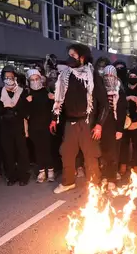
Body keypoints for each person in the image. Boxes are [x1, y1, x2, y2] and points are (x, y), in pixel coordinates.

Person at [51, 44, 109, 194]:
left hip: (88, 122)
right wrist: (54, 118)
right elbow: (59, 100)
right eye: (69, 54)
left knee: (91, 155)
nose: (69, 58)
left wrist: (99, 125)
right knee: (66, 152)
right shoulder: (65, 76)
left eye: (73, 55)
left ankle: (95, 184)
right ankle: (68, 181)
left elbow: (104, 104)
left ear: (82, 57)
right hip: (70, 122)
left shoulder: (93, 76)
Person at [0, 66, 31, 186]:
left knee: (21, 150)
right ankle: (11, 176)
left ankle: (24, 175)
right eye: (6, 77)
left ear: (15, 78)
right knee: (8, 151)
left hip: (19, 124)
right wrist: (4, 111)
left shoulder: (22, 91)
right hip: (5, 126)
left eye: (11, 77)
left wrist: (16, 112)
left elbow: (26, 109)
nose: (9, 79)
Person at [100, 66, 128, 188]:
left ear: (115, 76)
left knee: (113, 152)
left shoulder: (119, 91)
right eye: (106, 76)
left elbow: (121, 112)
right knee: (104, 152)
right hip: (102, 124)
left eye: (111, 76)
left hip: (115, 125)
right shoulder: (100, 90)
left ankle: (112, 178)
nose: (108, 78)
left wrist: (119, 129)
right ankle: (105, 175)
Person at [26, 68, 56, 183]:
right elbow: (24, 112)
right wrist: (26, 102)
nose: (35, 81)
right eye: (32, 80)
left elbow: (55, 110)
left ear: (40, 79)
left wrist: (52, 99)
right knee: (38, 149)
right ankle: (42, 171)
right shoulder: (27, 94)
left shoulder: (47, 93)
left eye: (36, 79)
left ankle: (51, 170)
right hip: (34, 127)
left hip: (46, 126)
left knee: (47, 148)